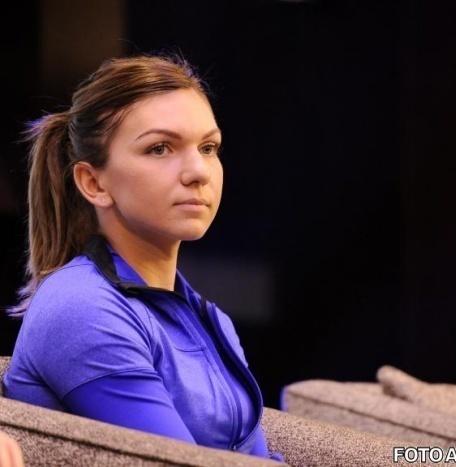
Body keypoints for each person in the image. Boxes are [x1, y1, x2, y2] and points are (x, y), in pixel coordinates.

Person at [3, 54, 283, 462]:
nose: (198, 172)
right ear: (93, 183)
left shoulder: (211, 319)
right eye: (159, 148)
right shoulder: (82, 308)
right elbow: (177, 462)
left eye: (208, 147)